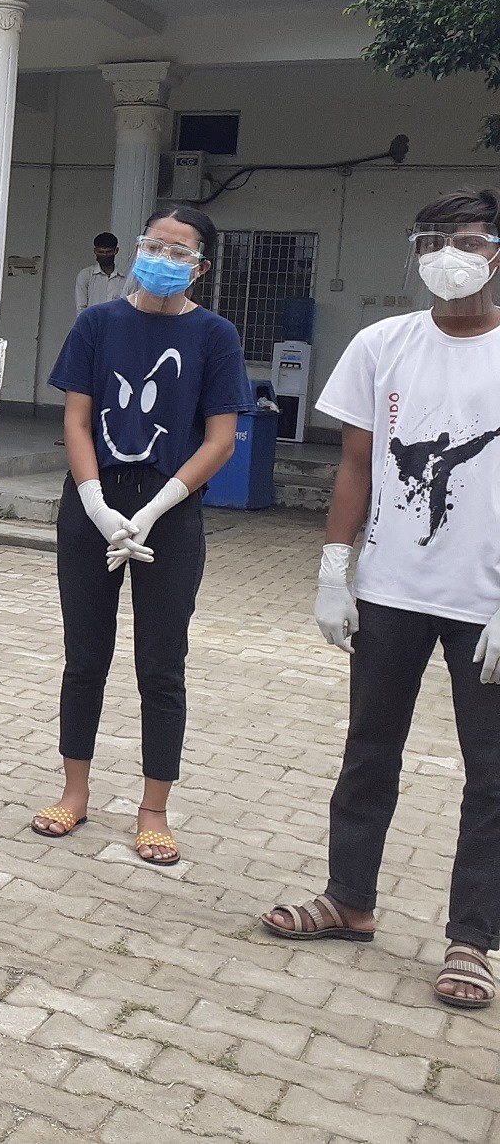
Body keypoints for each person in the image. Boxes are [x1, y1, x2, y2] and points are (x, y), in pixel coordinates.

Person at [262, 188, 500, 1011]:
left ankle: (471, 940)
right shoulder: (382, 344)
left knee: (492, 773)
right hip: (393, 590)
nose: (449, 254)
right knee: (370, 750)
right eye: (432, 239)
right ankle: (349, 899)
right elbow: (357, 465)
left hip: (487, 601)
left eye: (466, 239)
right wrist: (336, 566)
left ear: (496, 251)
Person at [31, 202, 250, 867]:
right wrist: (95, 503)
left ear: (201, 267)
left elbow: (220, 438)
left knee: (161, 664)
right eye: (156, 245)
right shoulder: (98, 323)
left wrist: (156, 508)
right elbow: (77, 419)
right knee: (84, 655)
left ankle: (153, 810)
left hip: (170, 513)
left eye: (180, 252)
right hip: (94, 506)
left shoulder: (214, 336)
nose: (164, 259)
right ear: (136, 247)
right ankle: (75, 790)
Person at [74, 232, 130, 313]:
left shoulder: (125, 277)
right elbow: (81, 308)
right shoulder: (85, 275)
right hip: (92, 324)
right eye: (101, 252)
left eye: (108, 252)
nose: (105, 255)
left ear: (116, 251)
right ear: (95, 251)